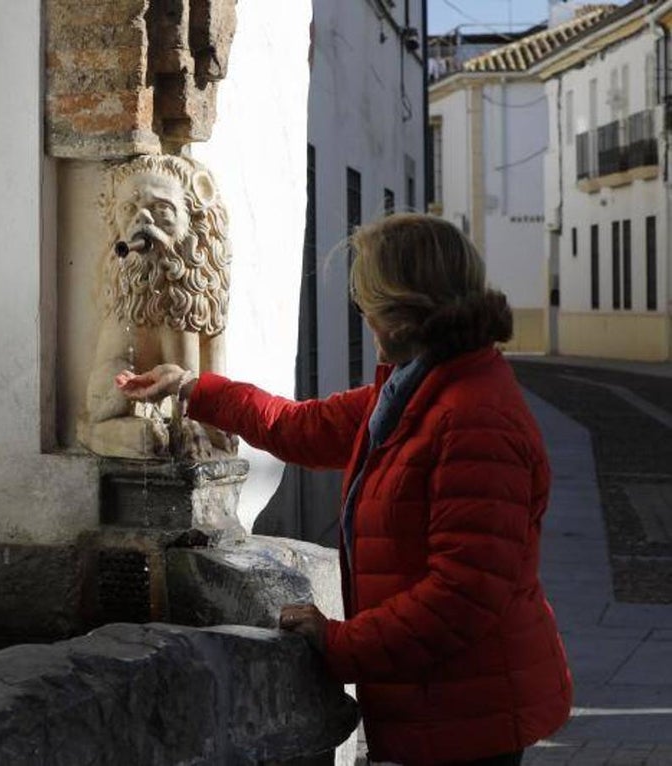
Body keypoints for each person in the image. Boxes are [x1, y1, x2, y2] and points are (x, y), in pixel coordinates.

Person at [116, 213, 572, 766]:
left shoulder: (474, 418)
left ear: (401, 311)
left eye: (366, 305)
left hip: (467, 718)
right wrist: (194, 388)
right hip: (434, 706)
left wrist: (339, 645)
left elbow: (462, 597)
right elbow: (298, 427)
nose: (365, 321)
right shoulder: (415, 389)